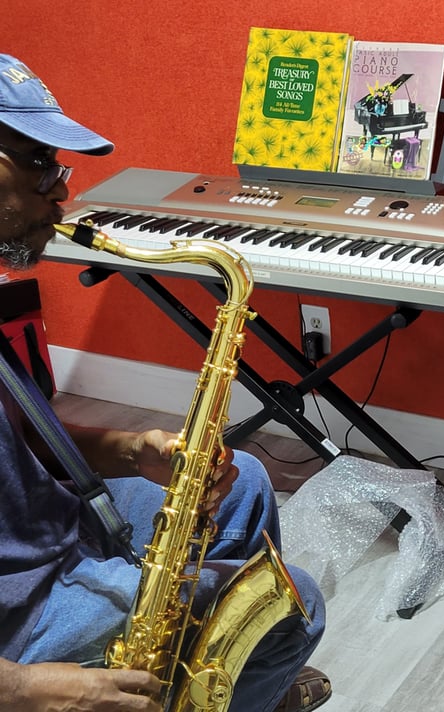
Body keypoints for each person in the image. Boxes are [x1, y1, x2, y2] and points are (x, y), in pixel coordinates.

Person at [0, 53, 331, 712]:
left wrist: (132, 450)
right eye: (40, 164)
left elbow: (20, 441)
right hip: (19, 621)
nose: (60, 193)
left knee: (245, 484)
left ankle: (217, 684)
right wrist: (28, 689)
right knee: (297, 606)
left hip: (41, 531)